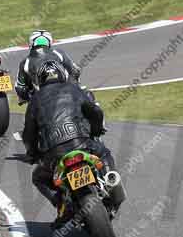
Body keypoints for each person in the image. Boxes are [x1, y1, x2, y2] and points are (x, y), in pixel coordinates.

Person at [22, 59, 124, 226]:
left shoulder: (34, 100)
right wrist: (97, 129)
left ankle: (61, 204)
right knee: (104, 153)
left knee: (38, 178)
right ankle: (109, 179)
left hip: (54, 153)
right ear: (63, 74)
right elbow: (95, 111)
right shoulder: (74, 89)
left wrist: (32, 153)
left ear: (39, 80)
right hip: (81, 143)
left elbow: (29, 133)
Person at [15, 30, 81, 103]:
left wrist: (27, 98)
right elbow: (75, 71)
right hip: (65, 91)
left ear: (32, 43)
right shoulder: (59, 53)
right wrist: (76, 86)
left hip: (41, 98)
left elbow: (20, 87)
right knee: (86, 97)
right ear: (49, 42)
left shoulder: (25, 62)